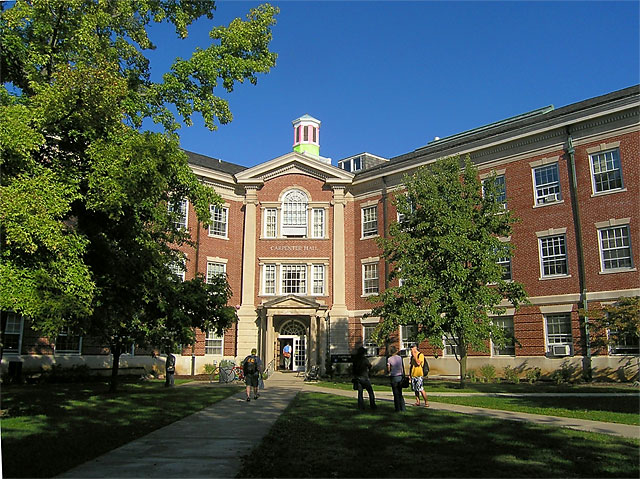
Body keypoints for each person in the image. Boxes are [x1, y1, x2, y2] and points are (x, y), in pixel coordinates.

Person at [352, 346, 377, 410]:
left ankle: (360, 406)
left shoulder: (355, 360)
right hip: (365, 377)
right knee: (370, 392)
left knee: (360, 393)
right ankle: (373, 405)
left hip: (358, 377)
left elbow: (353, 369)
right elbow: (370, 366)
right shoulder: (364, 359)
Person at [387, 345, 405, 412]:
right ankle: (403, 408)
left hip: (393, 376)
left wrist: (389, 371)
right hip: (400, 375)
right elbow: (402, 367)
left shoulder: (389, 359)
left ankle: (397, 408)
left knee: (395, 393)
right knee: (400, 393)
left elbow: (389, 369)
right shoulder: (400, 358)